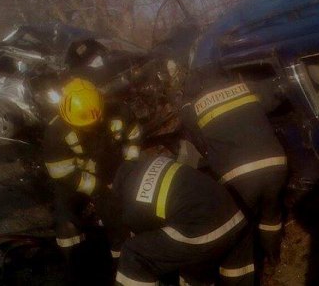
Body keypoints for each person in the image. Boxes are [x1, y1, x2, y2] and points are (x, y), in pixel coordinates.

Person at [180, 65, 288, 268]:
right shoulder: (244, 87)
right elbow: (274, 99)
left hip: (239, 173)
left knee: (240, 223)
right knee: (271, 214)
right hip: (276, 163)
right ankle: (274, 257)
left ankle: (253, 265)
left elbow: (195, 137)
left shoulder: (193, 106)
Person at [41, 78, 141, 265]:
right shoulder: (55, 133)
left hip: (112, 171)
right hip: (74, 179)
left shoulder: (120, 112)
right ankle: (76, 265)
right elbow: (63, 173)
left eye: (95, 122)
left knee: (118, 221)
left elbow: (134, 137)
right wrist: (98, 188)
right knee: (66, 221)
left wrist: (129, 168)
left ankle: (123, 265)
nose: (91, 128)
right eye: (84, 126)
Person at [112, 155, 254, 286]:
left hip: (200, 229)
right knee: (235, 270)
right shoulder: (157, 161)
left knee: (133, 253)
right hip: (234, 214)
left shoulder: (130, 204)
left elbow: (155, 246)